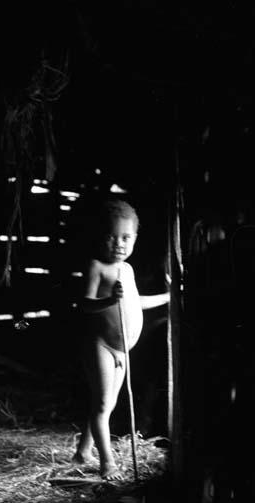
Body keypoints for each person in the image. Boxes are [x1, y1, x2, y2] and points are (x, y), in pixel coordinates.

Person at [73, 198, 170, 481]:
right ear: (99, 238)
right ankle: (107, 464)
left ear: (135, 239)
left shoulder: (127, 270)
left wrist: (167, 297)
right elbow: (85, 303)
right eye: (111, 237)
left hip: (121, 349)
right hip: (101, 345)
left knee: (106, 404)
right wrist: (107, 300)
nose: (119, 244)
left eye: (126, 237)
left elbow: (135, 302)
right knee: (103, 406)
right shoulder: (97, 267)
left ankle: (83, 451)